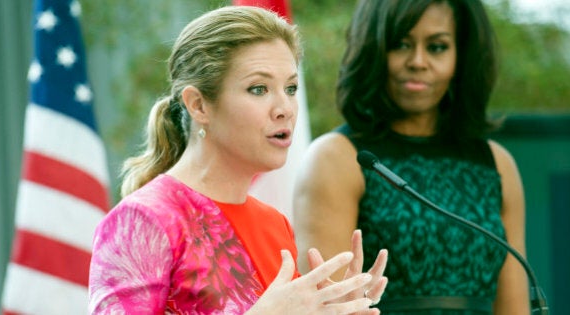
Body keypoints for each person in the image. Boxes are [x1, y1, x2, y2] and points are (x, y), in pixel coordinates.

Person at [88, 6, 389, 314]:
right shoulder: (143, 219)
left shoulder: (274, 224)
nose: (284, 108)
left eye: (290, 88)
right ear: (199, 105)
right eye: (258, 89)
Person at [293, 0, 530, 314]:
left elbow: (514, 309)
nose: (418, 61)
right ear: (373, 49)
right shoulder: (335, 158)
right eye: (401, 44)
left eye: (437, 47)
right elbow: (325, 309)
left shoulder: (497, 164)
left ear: (462, 56)